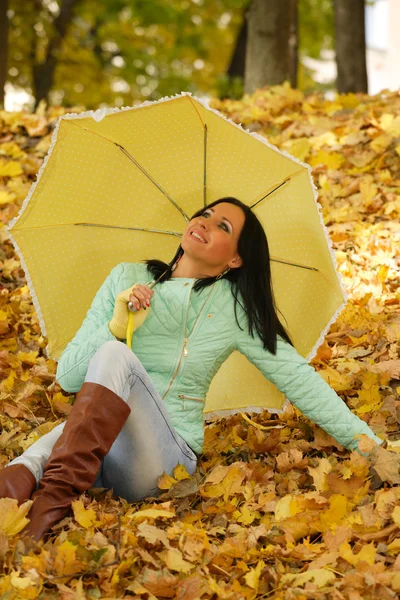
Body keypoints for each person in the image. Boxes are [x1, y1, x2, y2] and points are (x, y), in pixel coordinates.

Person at [0, 197, 385, 541]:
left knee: (116, 361)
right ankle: (21, 494)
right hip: (101, 452)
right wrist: (117, 326)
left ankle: (47, 509)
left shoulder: (234, 309)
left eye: (223, 226)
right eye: (204, 214)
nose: (204, 221)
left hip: (162, 464)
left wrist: (369, 447)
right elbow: (68, 377)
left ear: (235, 259)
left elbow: (296, 377)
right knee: (69, 423)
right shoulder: (125, 278)